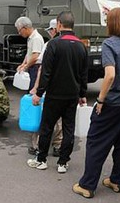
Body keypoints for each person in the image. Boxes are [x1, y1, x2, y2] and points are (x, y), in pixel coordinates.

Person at [73, 8, 120, 198]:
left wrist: (100, 99)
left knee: (96, 142)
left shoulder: (109, 44)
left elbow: (110, 75)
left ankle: (87, 185)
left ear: (112, 24)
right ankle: (116, 181)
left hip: (113, 103)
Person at [27, 11, 88, 174]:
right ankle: (63, 162)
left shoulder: (54, 44)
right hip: (72, 96)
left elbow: (46, 72)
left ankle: (41, 160)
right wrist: (82, 94)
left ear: (59, 24)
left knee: (47, 127)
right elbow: (83, 74)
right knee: (69, 128)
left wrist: (39, 93)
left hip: (54, 95)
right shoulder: (81, 46)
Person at [29, 19, 63, 157]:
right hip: (64, 88)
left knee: (42, 117)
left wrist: (36, 89)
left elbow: (42, 68)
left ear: (55, 30)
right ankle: (57, 146)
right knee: (60, 120)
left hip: (49, 88)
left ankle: (37, 146)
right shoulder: (74, 43)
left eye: (50, 30)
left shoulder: (50, 45)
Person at [15, 16, 44, 154]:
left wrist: (26, 66)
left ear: (25, 28)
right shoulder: (31, 38)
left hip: (35, 69)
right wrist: (22, 64)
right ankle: (34, 134)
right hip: (31, 68)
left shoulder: (37, 38)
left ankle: (36, 139)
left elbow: (35, 56)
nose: (19, 33)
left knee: (34, 96)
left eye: (19, 31)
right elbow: (28, 54)